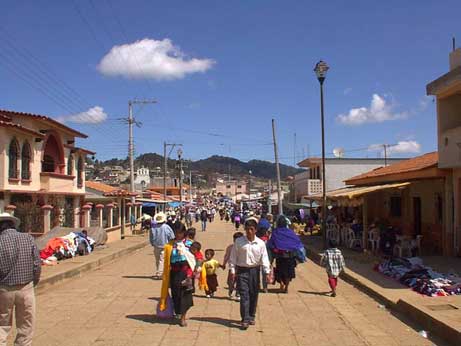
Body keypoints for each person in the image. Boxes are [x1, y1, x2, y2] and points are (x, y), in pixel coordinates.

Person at [0, 212, 41, 346]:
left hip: (3, 289)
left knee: (2, 325)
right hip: (26, 287)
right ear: (13, 225)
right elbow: (36, 264)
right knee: (26, 326)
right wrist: (33, 282)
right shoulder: (28, 238)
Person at [229, 218, 271, 330]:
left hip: (255, 271)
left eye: (251, 229)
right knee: (244, 295)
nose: (249, 232)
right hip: (242, 271)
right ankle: (245, 319)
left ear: (255, 230)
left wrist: (267, 272)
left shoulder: (261, 243)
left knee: (253, 294)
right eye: (247, 229)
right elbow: (233, 257)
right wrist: (232, 270)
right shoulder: (239, 242)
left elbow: (265, 258)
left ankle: (252, 315)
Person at [159, 224, 196, 327]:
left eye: (180, 232)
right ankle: (178, 312)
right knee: (176, 294)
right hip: (174, 273)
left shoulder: (189, 244)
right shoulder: (170, 245)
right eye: (176, 232)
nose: (178, 235)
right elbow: (166, 260)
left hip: (186, 273)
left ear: (184, 232)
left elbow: (197, 257)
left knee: (185, 295)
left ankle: (183, 317)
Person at [267, 215, 304, 294]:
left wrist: (271, 257)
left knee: (279, 272)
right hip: (290, 256)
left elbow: (271, 244)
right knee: (288, 273)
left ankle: (282, 284)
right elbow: (297, 242)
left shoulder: (276, 232)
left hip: (280, 257)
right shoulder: (290, 232)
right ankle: (286, 286)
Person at [149, 212, 175, 279]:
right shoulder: (166, 227)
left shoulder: (153, 228)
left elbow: (151, 237)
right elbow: (172, 236)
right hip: (164, 245)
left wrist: (152, 243)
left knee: (158, 260)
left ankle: (159, 272)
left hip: (156, 246)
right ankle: (160, 274)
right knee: (161, 260)